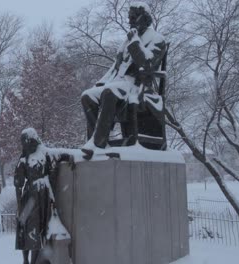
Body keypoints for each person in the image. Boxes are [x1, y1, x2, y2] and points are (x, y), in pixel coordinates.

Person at [81, 2, 167, 157]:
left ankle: (98, 143)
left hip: (138, 85)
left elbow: (147, 65)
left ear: (144, 18)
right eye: (129, 18)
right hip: (118, 83)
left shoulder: (157, 39)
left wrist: (134, 41)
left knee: (109, 92)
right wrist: (101, 82)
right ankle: (96, 139)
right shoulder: (126, 42)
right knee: (88, 96)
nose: (130, 21)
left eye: (133, 17)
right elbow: (116, 67)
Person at [14, 128, 72, 264]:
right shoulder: (23, 159)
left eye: (26, 142)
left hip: (44, 196)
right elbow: (18, 184)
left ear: (32, 140)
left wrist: (71, 156)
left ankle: (35, 260)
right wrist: (19, 206)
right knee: (25, 227)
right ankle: (25, 260)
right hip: (30, 196)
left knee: (39, 229)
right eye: (24, 143)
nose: (25, 145)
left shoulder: (44, 152)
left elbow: (59, 154)